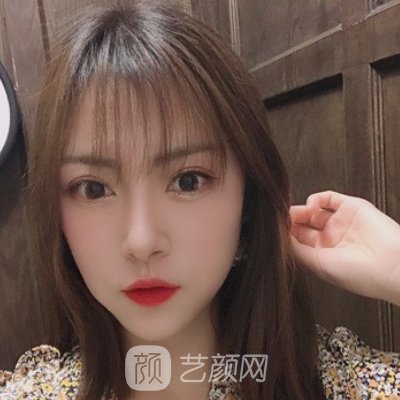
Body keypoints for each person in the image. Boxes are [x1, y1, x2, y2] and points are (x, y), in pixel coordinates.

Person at [0, 2, 398, 400]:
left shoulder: (339, 385)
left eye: (187, 181)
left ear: (248, 199)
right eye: (93, 189)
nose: (142, 242)